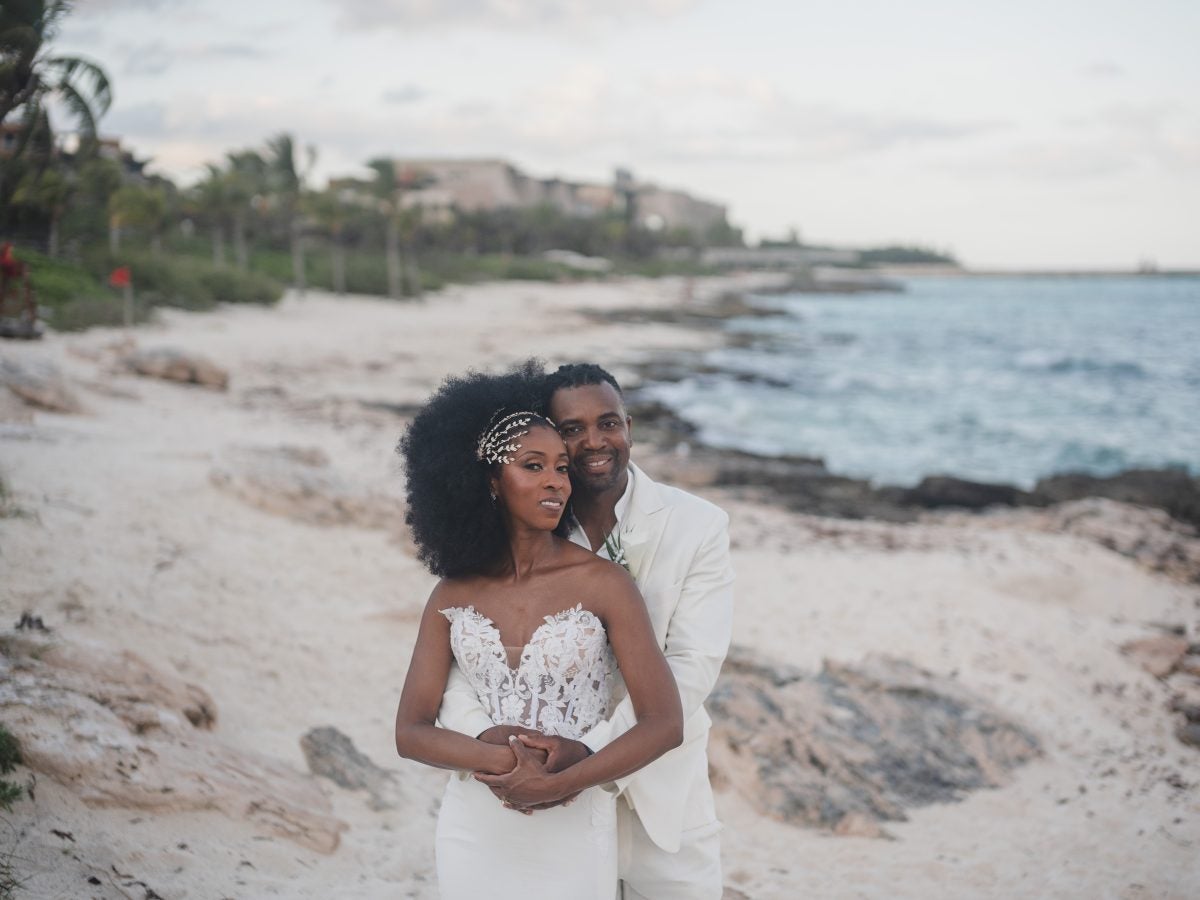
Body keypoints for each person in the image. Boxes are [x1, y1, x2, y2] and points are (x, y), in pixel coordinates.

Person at [439, 362, 735, 900]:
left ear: (629, 428)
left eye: (609, 423)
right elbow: (463, 652)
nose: (594, 441)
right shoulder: (527, 519)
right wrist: (490, 739)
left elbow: (693, 665)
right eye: (571, 429)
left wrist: (586, 752)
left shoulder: (698, 526)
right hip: (529, 794)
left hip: (659, 796)